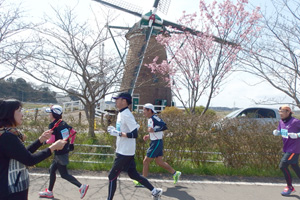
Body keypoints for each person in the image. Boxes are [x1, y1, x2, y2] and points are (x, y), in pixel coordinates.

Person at [0, 99, 66, 200]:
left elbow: (22, 155)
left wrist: (40, 140)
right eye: (19, 111)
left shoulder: (7, 134)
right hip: (11, 191)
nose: (22, 114)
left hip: (12, 188)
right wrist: (53, 147)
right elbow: (29, 160)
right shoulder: (8, 137)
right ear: (9, 114)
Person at [106, 92, 163, 200]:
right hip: (124, 149)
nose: (115, 101)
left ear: (124, 101)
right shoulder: (121, 113)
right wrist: (116, 130)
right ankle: (155, 191)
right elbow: (129, 128)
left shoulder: (127, 114)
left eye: (117, 99)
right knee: (133, 175)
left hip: (124, 152)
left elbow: (134, 134)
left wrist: (118, 133)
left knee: (112, 176)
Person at [39, 105, 89, 199]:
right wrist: (71, 144)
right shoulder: (63, 123)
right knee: (52, 169)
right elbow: (73, 132)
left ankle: (82, 187)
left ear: (54, 114)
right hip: (64, 150)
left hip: (60, 152)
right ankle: (49, 191)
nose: (49, 114)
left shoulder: (53, 125)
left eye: (50, 112)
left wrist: (43, 142)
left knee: (64, 174)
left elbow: (52, 139)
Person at [133, 103, 181, 187]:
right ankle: (175, 173)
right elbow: (156, 131)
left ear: (149, 110)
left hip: (156, 142)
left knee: (146, 161)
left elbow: (164, 126)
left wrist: (153, 130)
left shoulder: (154, 117)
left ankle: (143, 181)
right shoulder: (150, 119)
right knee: (159, 162)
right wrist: (149, 135)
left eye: (144, 110)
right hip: (155, 141)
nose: (143, 111)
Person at [273, 105, 300, 196]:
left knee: (283, 165)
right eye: (279, 112)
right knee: (295, 167)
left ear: (288, 112)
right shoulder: (281, 122)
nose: (280, 114)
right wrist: (277, 132)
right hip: (287, 148)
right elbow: (280, 130)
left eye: (282, 112)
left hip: (294, 149)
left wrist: (297, 135)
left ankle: (290, 187)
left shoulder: (295, 122)